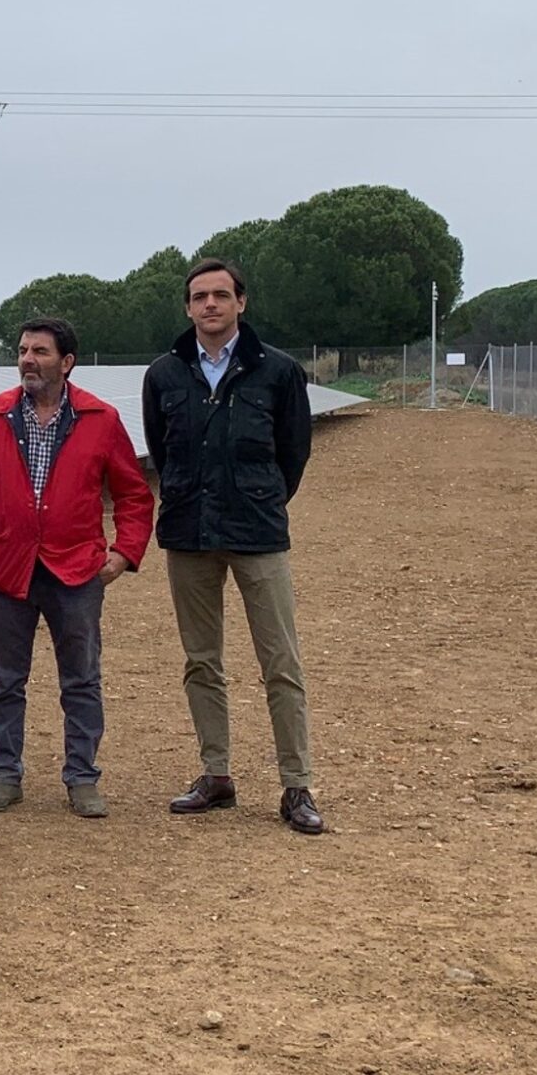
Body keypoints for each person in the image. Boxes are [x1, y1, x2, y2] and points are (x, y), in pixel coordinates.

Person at [0, 316, 153, 819]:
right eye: (22, 351)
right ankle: (4, 775)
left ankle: (82, 778)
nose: (27, 360)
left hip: (74, 571)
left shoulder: (100, 418)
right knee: (4, 681)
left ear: (67, 361)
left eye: (39, 351)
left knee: (80, 679)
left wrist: (125, 551)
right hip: (2, 568)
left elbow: (133, 493)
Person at [141, 257, 325, 836]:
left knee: (281, 662)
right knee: (201, 660)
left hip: (258, 535)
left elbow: (293, 453)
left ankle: (296, 785)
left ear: (241, 302)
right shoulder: (165, 376)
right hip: (189, 534)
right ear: (188, 307)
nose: (211, 305)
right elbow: (162, 451)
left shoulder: (278, 372)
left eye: (222, 295)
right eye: (200, 297)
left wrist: (260, 499)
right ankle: (215, 774)